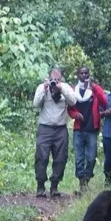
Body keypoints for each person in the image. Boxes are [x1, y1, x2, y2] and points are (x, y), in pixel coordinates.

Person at [33, 67, 80, 198]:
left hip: (60, 129)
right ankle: (40, 186)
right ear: (49, 77)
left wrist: (62, 89)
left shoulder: (65, 87)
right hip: (45, 128)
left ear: (61, 79)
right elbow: (36, 103)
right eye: (53, 79)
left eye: (57, 79)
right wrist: (45, 87)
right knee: (41, 157)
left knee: (60, 158)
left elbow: (73, 101)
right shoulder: (42, 87)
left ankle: (54, 186)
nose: (55, 82)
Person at [71, 66, 108, 194]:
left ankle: (87, 179)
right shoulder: (73, 90)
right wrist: (75, 114)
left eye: (86, 73)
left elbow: (104, 102)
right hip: (79, 129)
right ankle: (82, 183)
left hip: (92, 128)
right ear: (78, 75)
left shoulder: (95, 88)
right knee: (79, 158)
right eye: (81, 73)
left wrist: (95, 89)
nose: (84, 75)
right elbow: (69, 106)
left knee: (91, 158)